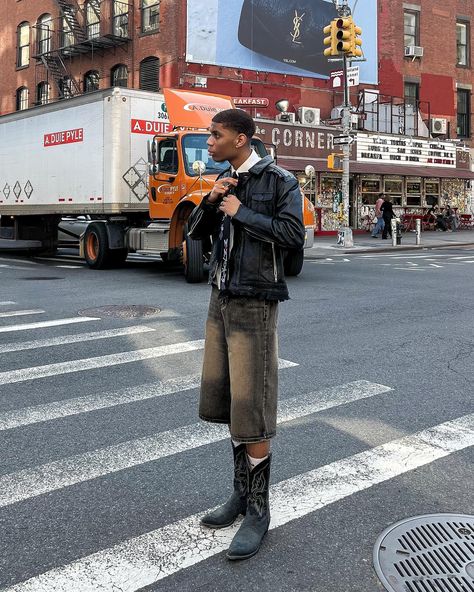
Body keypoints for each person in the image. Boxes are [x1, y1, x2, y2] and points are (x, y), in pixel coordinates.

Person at [187, 109, 305, 561]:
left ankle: (258, 510)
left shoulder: (278, 180)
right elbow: (195, 236)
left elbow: (293, 236)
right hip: (221, 299)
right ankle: (240, 493)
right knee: (230, 402)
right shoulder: (225, 179)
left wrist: (243, 212)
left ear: (240, 138)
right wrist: (212, 202)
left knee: (252, 407)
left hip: (256, 301)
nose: (210, 142)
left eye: (216, 136)